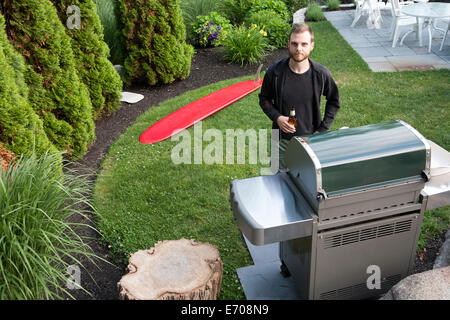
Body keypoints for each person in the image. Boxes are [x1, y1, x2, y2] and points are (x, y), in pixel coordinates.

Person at [259, 22, 340, 170]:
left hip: (311, 141)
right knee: (278, 181)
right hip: (281, 142)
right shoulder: (275, 72)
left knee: (309, 183)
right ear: (288, 44)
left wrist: (321, 130)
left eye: (304, 44)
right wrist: (277, 117)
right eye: (294, 44)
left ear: (312, 45)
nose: (299, 49)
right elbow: (264, 99)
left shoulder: (321, 74)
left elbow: (334, 101)